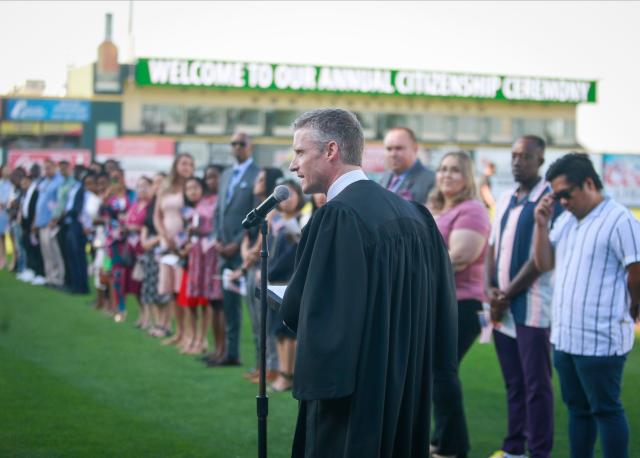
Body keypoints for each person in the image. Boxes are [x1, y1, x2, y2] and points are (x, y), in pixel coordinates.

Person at [282, 108, 458, 457]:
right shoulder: (416, 216)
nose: (293, 165)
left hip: (355, 395)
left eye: (300, 152)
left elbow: (304, 309)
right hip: (407, 386)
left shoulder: (338, 216)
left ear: (331, 150)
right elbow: (443, 306)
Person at [533, 153, 640, 458]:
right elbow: (543, 263)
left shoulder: (620, 219)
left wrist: (633, 310)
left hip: (600, 340)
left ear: (590, 183)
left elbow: (637, 271)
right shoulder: (566, 220)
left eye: (566, 194)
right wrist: (541, 224)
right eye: (557, 196)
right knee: (577, 411)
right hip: (565, 337)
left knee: (606, 410)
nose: (562, 201)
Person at [486, 136, 558, 458]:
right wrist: (490, 288)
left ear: (540, 161)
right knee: (514, 383)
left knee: (536, 387)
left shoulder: (549, 199)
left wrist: (507, 293)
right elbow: (492, 245)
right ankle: (514, 447)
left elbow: (540, 260)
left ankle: (539, 451)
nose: (518, 162)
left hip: (533, 307)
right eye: (514, 155)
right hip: (503, 307)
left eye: (526, 157)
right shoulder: (504, 197)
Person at [426, 152, 490, 458]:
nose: (446, 175)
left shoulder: (472, 209)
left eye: (454, 170)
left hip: (463, 304)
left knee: (443, 371)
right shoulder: (437, 208)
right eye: (442, 169)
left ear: (467, 177)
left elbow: (460, 257)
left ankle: (453, 446)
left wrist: (416, 274)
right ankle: (442, 439)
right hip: (438, 302)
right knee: (437, 373)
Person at [225, 167, 283, 379]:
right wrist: (246, 254)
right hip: (251, 268)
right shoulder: (256, 208)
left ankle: (271, 367)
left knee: (265, 323)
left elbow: (261, 243)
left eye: (260, 179)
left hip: (262, 270)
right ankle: (261, 366)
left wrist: (248, 257)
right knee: (256, 323)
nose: (256, 182)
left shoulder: (273, 210)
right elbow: (247, 239)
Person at [211, 132, 260, 366]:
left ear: (250, 147)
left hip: (243, 251)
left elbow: (257, 214)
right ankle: (231, 354)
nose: (237, 147)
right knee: (229, 305)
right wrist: (217, 239)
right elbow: (218, 211)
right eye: (233, 144)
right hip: (224, 251)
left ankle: (261, 363)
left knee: (253, 309)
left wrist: (238, 242)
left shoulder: (257, 174)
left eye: (241, 144)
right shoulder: (226, 175)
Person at [267, 178, 304, 392]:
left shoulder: (301, 220)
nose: (287, 200)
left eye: (292, 195)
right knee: (277, 331)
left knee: (288, 331)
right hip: (274, 279)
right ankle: (282, 372)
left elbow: (292, 256)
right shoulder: (276, 220)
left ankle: (288, 375)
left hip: (289, 278)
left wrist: (271, 272)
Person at [179, 176, 223, 355]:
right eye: (188, 188)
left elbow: (214, 229)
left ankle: (202, 339)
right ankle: (193, 337)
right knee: (191, 300)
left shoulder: (211, 203)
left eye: (196, 187)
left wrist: (199, 232)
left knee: (205, 300)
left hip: (208, 256)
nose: (192, 191)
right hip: (194, 255)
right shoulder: (189, 209)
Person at [154, 153, 194, 345]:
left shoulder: (192, 188)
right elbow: (157, 216)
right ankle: (178, 332)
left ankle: (188, 333)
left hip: (184, 244)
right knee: (171, 290)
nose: (186, 167)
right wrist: (164, 236)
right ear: (175, 165)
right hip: (166, 243)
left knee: (183, 289)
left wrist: (183, 241)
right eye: (183, 163)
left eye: (190, 164)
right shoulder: (165, 187)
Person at [141, 173, 172, 337]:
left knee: (166, 291)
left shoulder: (169, 203)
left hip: (166, 249)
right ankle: (158, 322)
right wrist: (146, 241)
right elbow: (146, 226)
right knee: (154, 289)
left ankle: (166, 324)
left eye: (161, 182)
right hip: (152, 252)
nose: (157, 186)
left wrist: (157, 239)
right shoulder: (151, 205)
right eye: (155, 183)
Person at [380, 126, 435, 202]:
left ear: (415, 149)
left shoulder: (431, 181)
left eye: (399, 148)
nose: (393, 154)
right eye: (389, 149)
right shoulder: (384, 178)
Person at [34, 159, 65, 287]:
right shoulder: (44, 182)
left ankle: (58, 278)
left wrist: (55, 219)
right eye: (45, 168)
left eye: (49, 168)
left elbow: (60, 202)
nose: (47, 171)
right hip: (41, 221)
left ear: (55, 167)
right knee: (46, 252)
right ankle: (50, 277)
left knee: (54, 251)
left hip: (51, 222)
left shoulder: (59, 181)